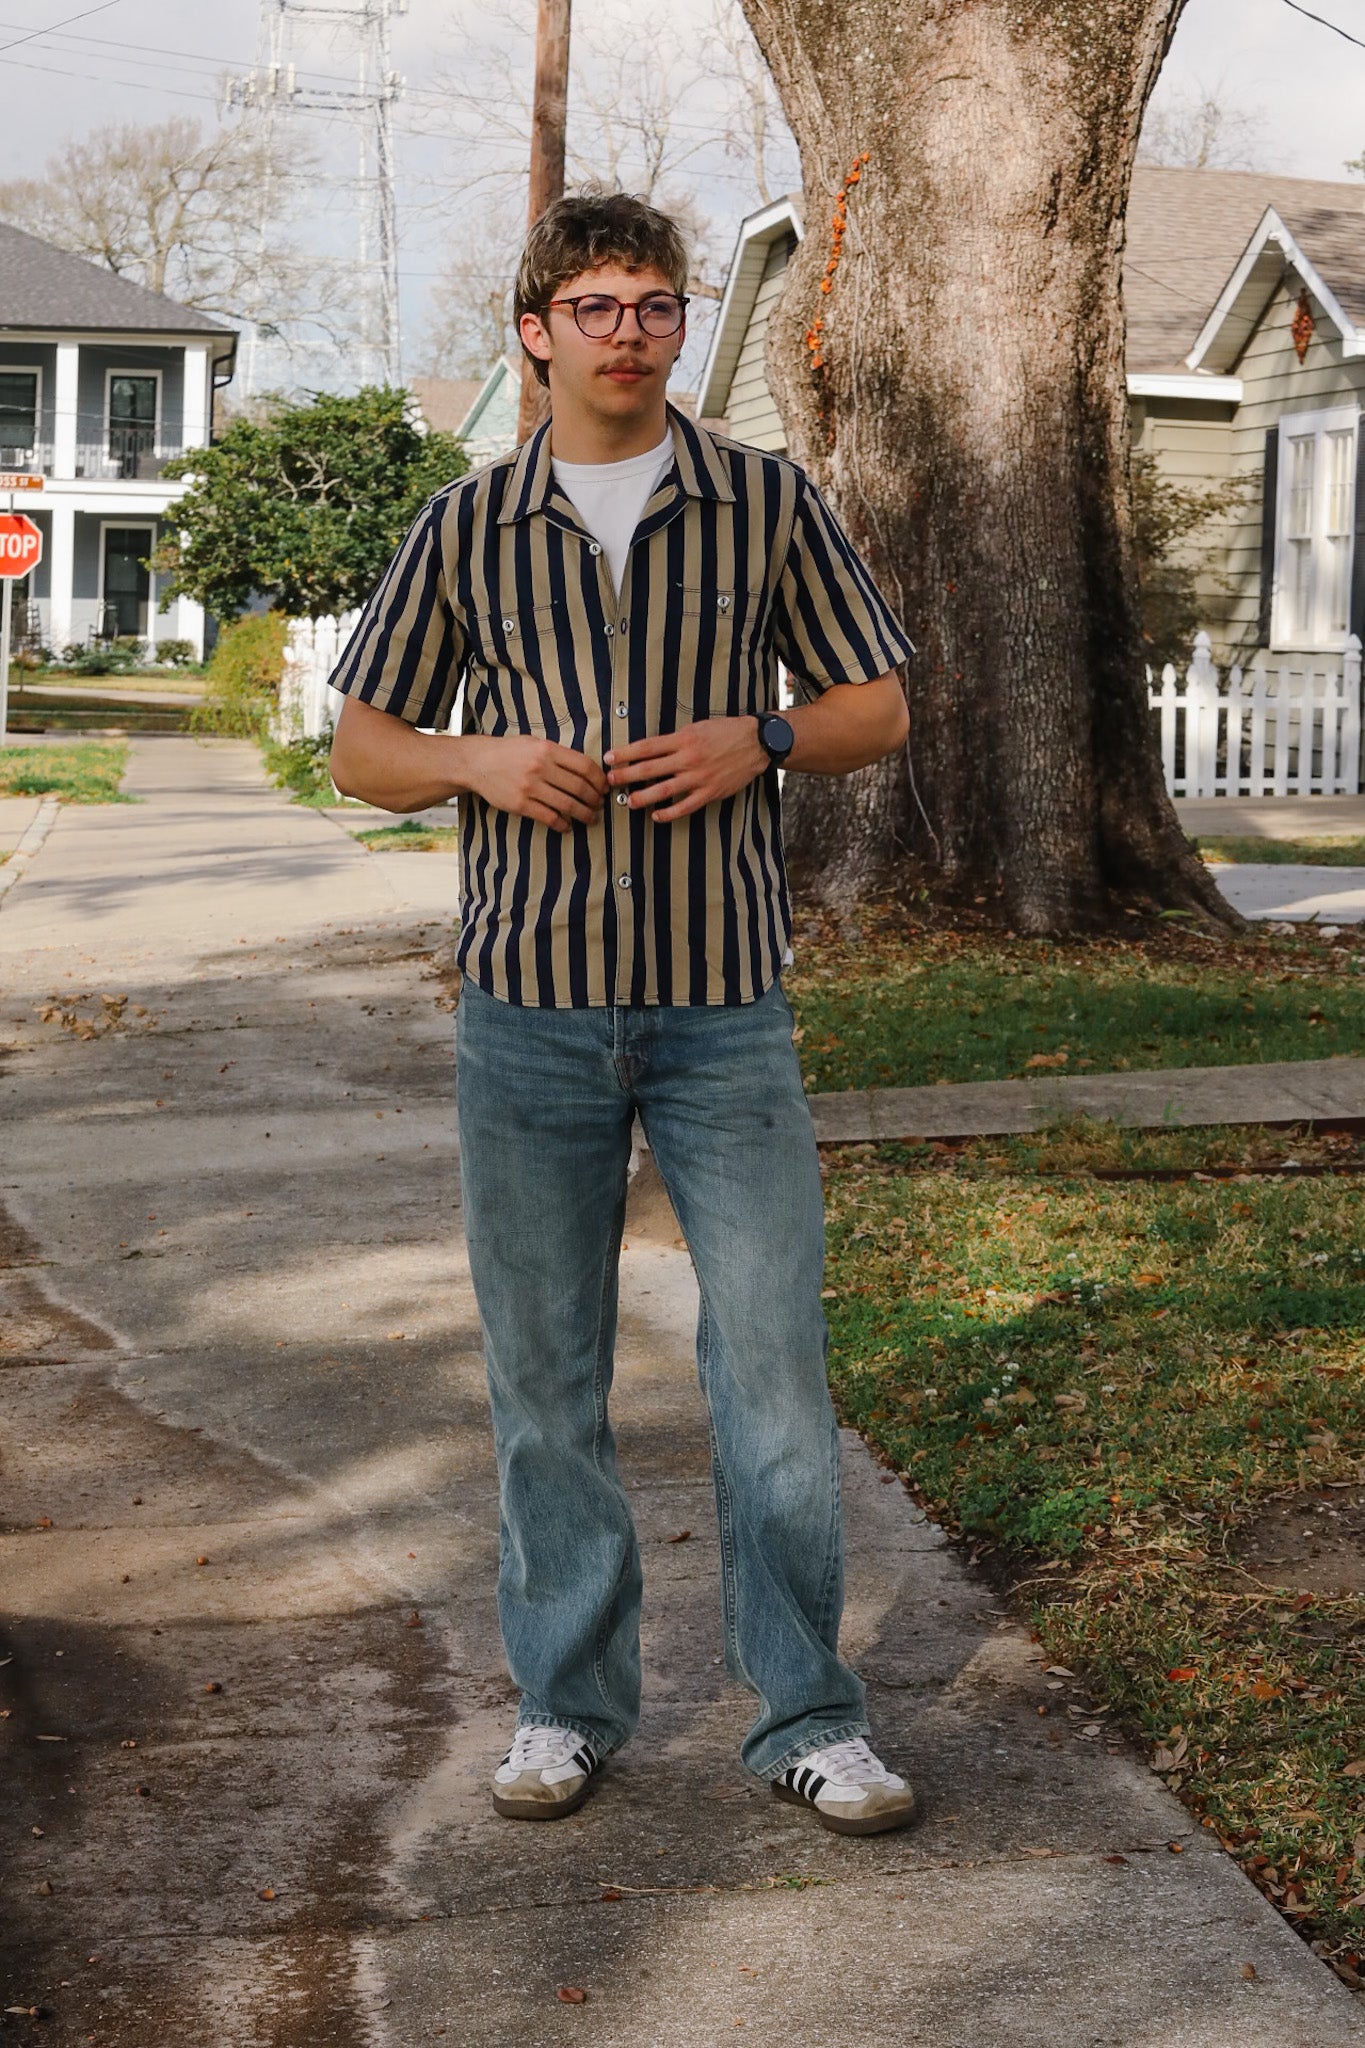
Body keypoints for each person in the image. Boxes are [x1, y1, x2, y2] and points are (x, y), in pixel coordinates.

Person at [327, 190, 917, 1838]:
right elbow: (363, 749)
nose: (630, 332)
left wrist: (762, 738)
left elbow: (875, 705)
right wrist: (478, 760)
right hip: (529, 1016)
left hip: (724, 1010)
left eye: (655, 304)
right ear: (535, 331)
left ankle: (807, 1718)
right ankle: (566, 1710)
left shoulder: (764, 501)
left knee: (774, 1378)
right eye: (594, 305)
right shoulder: (468, 524)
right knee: (545, 1386)